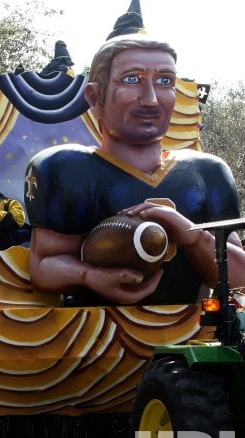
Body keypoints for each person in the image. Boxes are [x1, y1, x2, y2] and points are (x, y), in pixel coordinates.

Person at [25, 34, 245, 306]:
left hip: (192, 336)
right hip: (95, 334)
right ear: (95, 97)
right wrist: (89, 275)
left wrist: (192, 235)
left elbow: (239, 277)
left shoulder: (207, 173)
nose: (151, 99)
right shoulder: (65, 168)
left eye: (165, 81)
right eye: (132, 79)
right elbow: (43, 266)